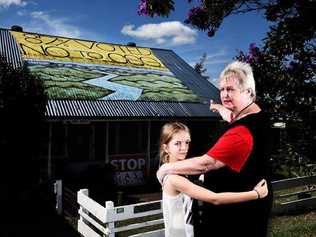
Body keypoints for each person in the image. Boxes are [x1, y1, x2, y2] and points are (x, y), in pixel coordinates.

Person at [157, 61, 273, 237]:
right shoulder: (256, 115)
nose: (224, 94)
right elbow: (231, 116)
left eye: (230, 89)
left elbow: (206, 164)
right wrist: (218, 107)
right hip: (248, 211)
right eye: (222, 89)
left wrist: (165, 168)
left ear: (248, 92)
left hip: (236, 218)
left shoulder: (241, 132)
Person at [160, 122, 269, 237]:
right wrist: (256, 194)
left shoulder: (176, 172)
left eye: (187, 142)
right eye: (177, 144)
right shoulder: (173, 179)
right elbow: (215, 199)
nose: (184, 148)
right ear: (166, 148)